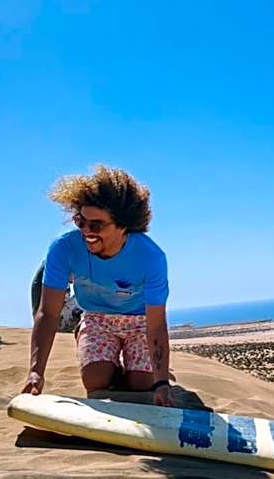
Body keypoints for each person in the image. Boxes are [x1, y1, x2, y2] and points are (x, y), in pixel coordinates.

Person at [23, 165, 173, 407]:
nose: (86, 232)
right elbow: (48, 313)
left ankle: (134, 370)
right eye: (80, 222)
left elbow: (156, 325)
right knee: (95, 380)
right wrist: (36, 372)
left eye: (96, 225)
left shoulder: (150, 257)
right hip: (96, 317)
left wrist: (162, 383)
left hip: (139, 321)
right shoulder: (63, 249)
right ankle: (96, 350)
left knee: (142, 384)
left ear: (124, 224)